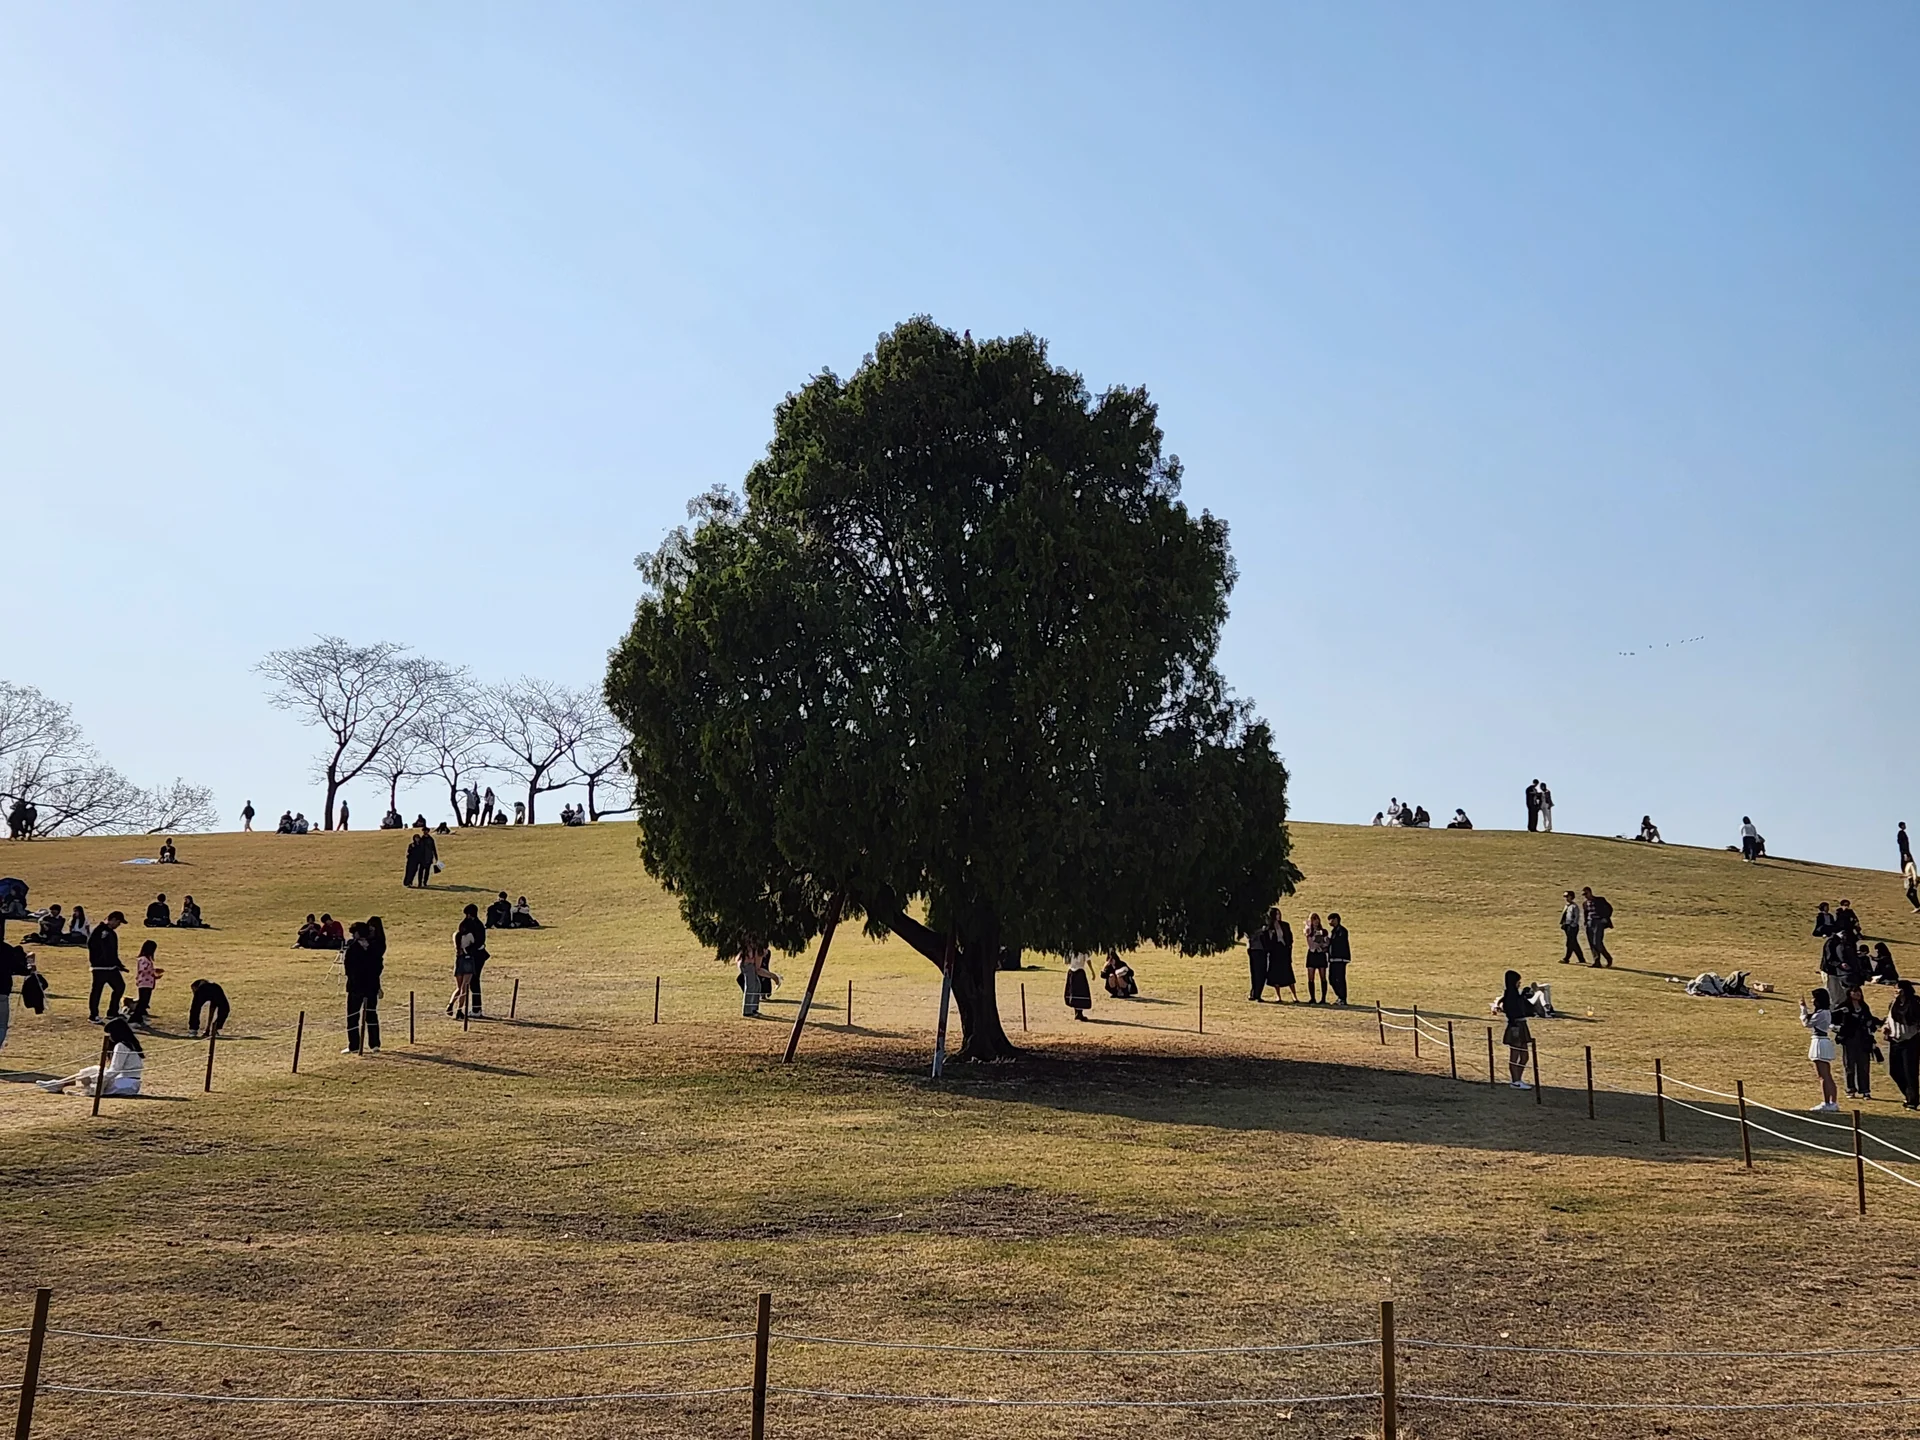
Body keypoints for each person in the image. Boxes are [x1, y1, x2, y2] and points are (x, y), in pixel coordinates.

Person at [37, 1016, 143, 1097]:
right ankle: (60, 1083)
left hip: (124, 1085)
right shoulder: (131, 1044)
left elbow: (114, 1070)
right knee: (96, 1069)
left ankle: (61, 1084)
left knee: (96, 1072)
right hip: (129, 1084)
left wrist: (92, 1079)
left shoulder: (121, 1046)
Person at [1831, 985, 1879, 1101]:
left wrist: (1873, 1024)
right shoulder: (1844, 1007)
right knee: (1849, 1065)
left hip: (1863, 1040)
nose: (1858, 994)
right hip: (1849, 1040)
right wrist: (1840, 1029)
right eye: (1855, 992)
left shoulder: (1864, 1007)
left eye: (1859, 992)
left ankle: (1865, 1090)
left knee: (1864, 1066)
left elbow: (1870, 1020)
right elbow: (1833, 1020)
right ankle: (1850, 1089)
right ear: (1849, 993)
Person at [342, 921, 383, 1054]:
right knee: (371, 1015)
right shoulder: (374, 948)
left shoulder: (352, 949)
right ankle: (374, 1044)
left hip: (356, 988)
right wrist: (377, 986)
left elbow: (348, 968)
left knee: (353, 1016)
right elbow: (378, 968)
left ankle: (355, 1045)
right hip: (371, 986)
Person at [1493, 971, 1534, 1089]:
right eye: (1518, 981)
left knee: (1525, 1056)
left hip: (1522, 1024)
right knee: (1515, 1055)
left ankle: (1518, 1079)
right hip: (1515, 1025)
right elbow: (1512, 1011)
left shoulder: (1514, 994)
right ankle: (1515, 1081)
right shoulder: (1510, 996)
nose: (1519, 984)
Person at [1801, 988, 1839, 1112]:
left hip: (1819, 1042)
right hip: (1823, 1041)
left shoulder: (1821, 1013)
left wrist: (1803, 1009)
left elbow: (1807, 1023)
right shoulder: (1825, 1012)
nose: (1812, 1000)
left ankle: (1827, 1102)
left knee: (1823, 1076)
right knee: (1827, 1075)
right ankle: (1833, 1102)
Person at [1885, 981, 1920, 1110]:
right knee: (1894, 1071)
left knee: (1910, 1072)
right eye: (1894, 988)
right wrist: (1886, 1027)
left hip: (1910, 1041)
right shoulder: (1893, 1004)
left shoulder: (1915, 1004)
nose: (1896, 991)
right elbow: (1889, 1018)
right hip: (1895, 1041)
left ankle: (1912, 1101)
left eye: (1898, 989)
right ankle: (1909, 1094)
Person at [87, 910, 128, 1022]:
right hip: (100, 968)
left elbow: (113, 952)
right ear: (112, 920)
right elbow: (93, 946)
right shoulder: (100, 931)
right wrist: (100, 959)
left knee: (119, 987)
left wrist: (119, 964)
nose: (118, 925)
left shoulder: (110, 933)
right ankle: (93, 1015)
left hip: (111, 967)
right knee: (97, 991)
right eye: (118, 922)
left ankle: (112, 1012)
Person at [0, 938, 36, 1051]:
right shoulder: (6, 949)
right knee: (1, 1025)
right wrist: (30, 968)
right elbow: (18, 968)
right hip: (2, 991)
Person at [453, 904, 488, 1017]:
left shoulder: (478, 925)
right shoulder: (470, 924)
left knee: (474, 981)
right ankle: (476, 1008)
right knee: (473, 982)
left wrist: (466, 950)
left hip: (477, 956)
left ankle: (477, 1009)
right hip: (470, 956)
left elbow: (479, 942)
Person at [1266, 906, 1297, 1002]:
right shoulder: (1269, 927)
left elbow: (1290, 937)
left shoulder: (1285, 925)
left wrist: (1287, 945)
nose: (1278, 916)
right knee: (1276, 974)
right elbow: (1267, 940)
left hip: (1284, 952)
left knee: (1288, 973)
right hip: (1275, 953)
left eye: (1279, 914)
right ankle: (1278, 996)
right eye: (1276, 914)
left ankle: (1294, 996)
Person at [128, 939, 163, 1025]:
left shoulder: (147, 959)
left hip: (148, 983)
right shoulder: (143, 959)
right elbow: (144, 970)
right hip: (144, 983)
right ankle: (134, 1018)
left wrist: (154, 975)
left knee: (145, 1001)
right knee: (143, 1001)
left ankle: (139, 1018)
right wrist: (154, 971)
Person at [1581, 887, 1614, 967]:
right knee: (1592, 943)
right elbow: (1586, 913)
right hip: (1590, 923)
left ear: (1590, 892)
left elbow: (1609, 909)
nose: (1585, 896)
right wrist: (1586, 922)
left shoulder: (1600, 900)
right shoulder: (1585, 904)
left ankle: (1608, 958)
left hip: (1598, 922)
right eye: (1584, 894)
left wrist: (1605, 918)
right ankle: (1597, 961)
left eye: (1586, 893)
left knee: (1597, 942)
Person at [1326, 912, 1352, 1005]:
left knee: (1340, 979)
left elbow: (1339, 942)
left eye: (1332, 919)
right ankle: (1339, 996)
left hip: (1340, 959)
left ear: (1337, 920)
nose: (1330, 921)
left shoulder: (1342, 931)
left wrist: (1329, 940)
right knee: (1331, 979)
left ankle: (1343, 998)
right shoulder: (1332, 931)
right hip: (1332, 959)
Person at [1303, 913, 1330, 1004]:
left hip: (1320, 954)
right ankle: (1312, 998)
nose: (1316, 921)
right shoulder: (1309, 931)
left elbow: (1326, 942)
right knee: (1311, 977)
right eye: (1314, 919)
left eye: (1317, 919)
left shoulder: (1324, 931)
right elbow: (1311, 943)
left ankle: (1323, 998)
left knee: (1323, 977)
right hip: (1312, 954)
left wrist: (1323, 944)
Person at [1559, 891, 1587, 965]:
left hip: (1572, 927)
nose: (1566, 898)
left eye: (1567, 896)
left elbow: (1576, 917)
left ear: (1571, 897)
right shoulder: (1567, 905)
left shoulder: (1574, 906)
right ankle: (1581, 958)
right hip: (1567, 926)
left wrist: (1572, 925)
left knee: (1570, 943)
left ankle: (1566, 958)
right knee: (1573, 943)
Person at [1063, 951, 1092, 1020]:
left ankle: (1077, 1012)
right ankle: (1079, 1013)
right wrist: (1092, 971)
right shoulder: (1084, 951)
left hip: (1071, 972)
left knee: (1074, 992)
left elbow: (1065, 961)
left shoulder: (1070, 950)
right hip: (1079, 972)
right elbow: (1088, 960)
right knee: (1080, 992)